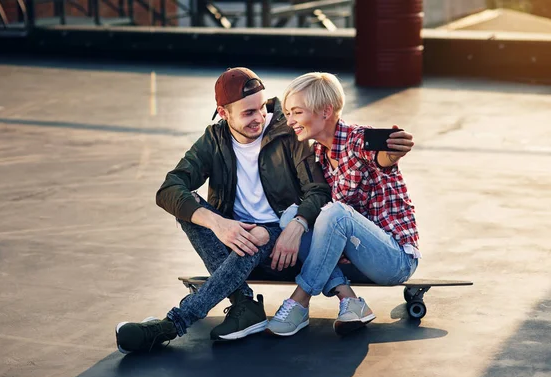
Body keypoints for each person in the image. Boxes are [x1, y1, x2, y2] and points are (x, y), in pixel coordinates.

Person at [114, 67, 331, 353]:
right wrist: (217, 223)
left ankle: (173, 324)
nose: (259, 118)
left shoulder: (287, 133)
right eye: (247, 113)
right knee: (188, 209)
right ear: (223, 112)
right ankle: (244, 304)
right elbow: (169, 188)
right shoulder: (214, 140)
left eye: (261, 108)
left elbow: (318, 190)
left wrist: (297, 223)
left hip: (281, 235)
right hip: (232, 234)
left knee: (254, 238)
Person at [265, 72, 419, 337]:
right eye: (288, 113)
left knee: (336, 213)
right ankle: (349, 300)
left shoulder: (358, 140)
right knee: (292, 215)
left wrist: (391, 153)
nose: (290, 121)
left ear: (325, 111)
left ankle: (300, 301)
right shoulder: (319, 155)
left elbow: (380, 156)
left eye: (296, 112)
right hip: (353, 260)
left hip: (392, 259)